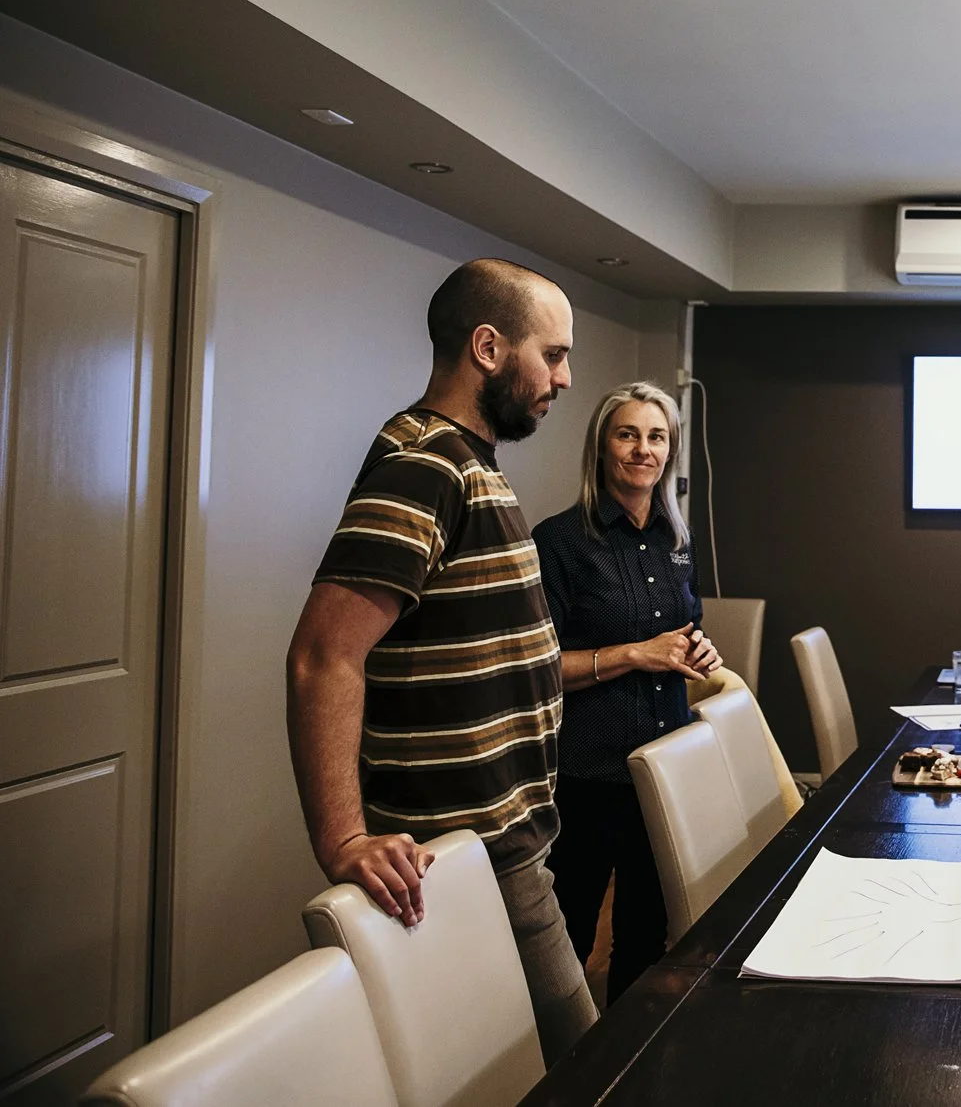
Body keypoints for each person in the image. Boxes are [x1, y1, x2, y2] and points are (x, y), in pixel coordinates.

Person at [285, 257, 597, 1063]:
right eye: (553, 354)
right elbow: (325, 654)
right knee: (588, 1069)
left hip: (502, 845)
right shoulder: (426, 464)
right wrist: (345, 836)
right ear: (489, 347)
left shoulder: (464, 461)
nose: (564, 377)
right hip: (466, 857)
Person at [534, 382, 723, 1003]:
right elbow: (538, 669)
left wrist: (700, 649)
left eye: (657, 436)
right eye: (628, 434)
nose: (643, 449)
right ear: (601, 446)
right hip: (590, 773)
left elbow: (686, 629)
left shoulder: (677, 540)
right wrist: (635, 654)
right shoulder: (560, 542)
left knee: (647, 937)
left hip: (664, 769)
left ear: (669, 452)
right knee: (569, 939)